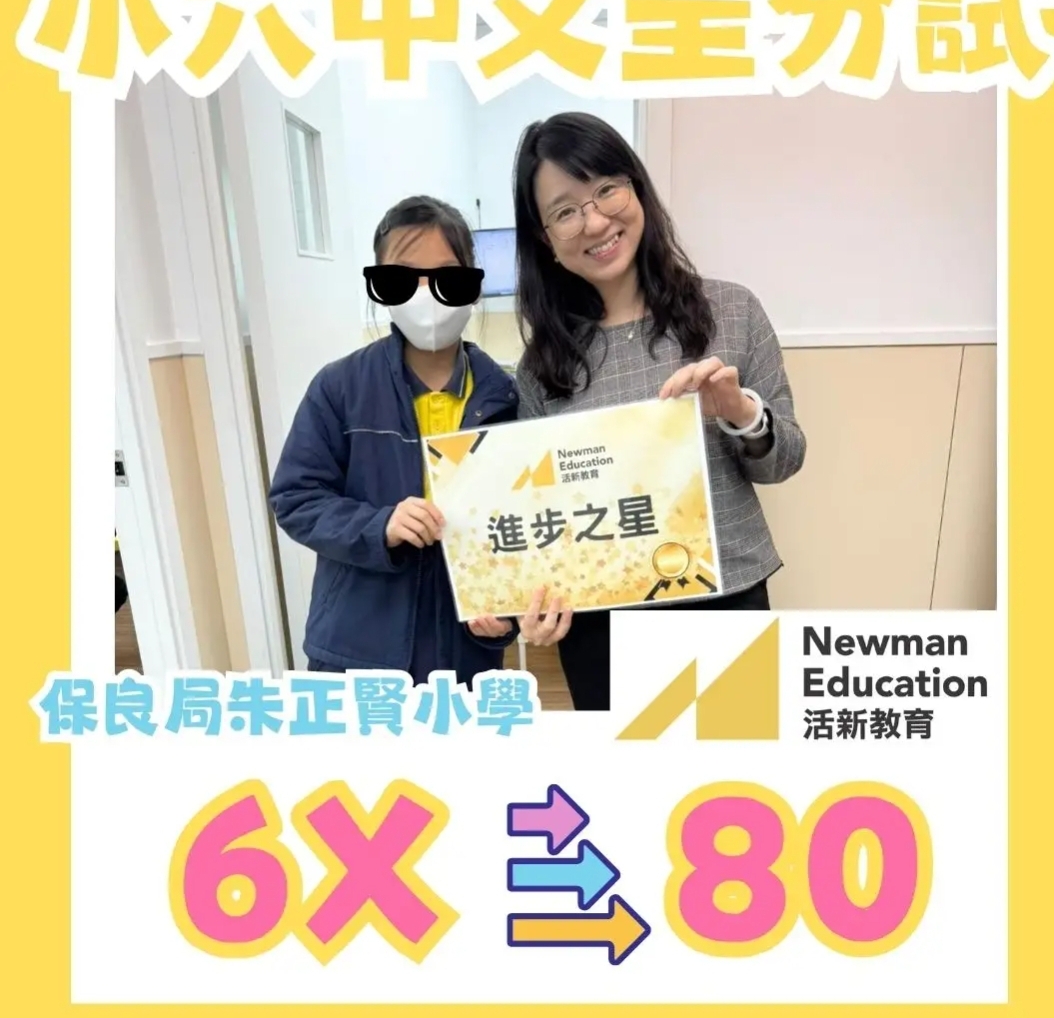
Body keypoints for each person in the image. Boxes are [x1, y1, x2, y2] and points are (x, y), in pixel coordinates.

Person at [512, 113, 806, 710]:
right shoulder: (542, 365)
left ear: (637, 188)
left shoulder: (731, 311)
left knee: (735, 764)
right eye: (565, 212)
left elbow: (784, 461)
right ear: (546, 240)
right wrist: (533, 597)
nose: (595, 221)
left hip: (727, 600)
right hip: (602, 621)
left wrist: (739, 411)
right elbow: (538, 514)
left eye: (606, 189)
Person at [270, 195, 564, 683]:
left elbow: (531, 522)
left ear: (472, 285)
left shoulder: (507, 397)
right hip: (354, 648)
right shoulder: (339, 388)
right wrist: (379, 525)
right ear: (380, 286)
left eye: (446, 276)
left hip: (462, 652)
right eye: (403, 278)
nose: (426, 296)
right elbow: (295, 499)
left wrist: (508, 613)